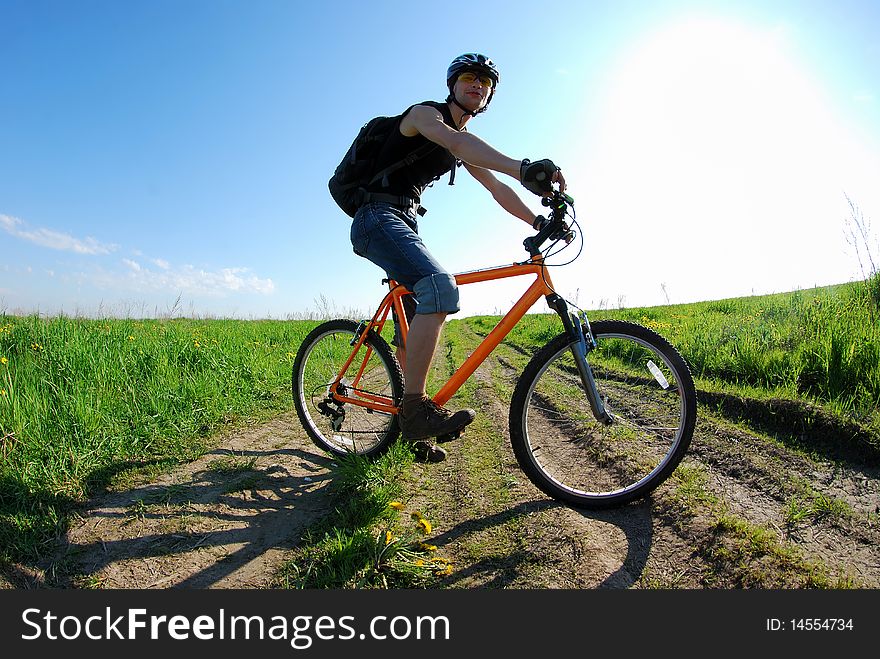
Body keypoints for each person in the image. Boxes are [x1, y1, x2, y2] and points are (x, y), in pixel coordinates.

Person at [349, 53, 566, 462]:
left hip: (404, 223)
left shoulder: (463, 144)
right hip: (375, 216)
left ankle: (410, 427)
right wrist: (524, 168)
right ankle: (415, 414)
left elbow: (496, 188)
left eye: (485, 84)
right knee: (439, 287)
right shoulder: (424, 116)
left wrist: (537, 219)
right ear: (452, 85)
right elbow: (457, 141)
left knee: (411, 329)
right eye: (469, 78)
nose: (477, 86)